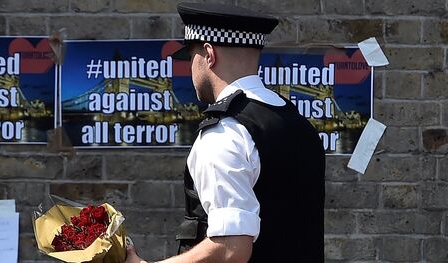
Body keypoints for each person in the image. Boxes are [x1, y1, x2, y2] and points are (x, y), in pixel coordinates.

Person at [125, 2, 325, 263]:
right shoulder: (296, 122)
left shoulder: (225, 132)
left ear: (209, 54)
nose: (190, 68)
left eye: (191, 57)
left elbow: (231, 249)